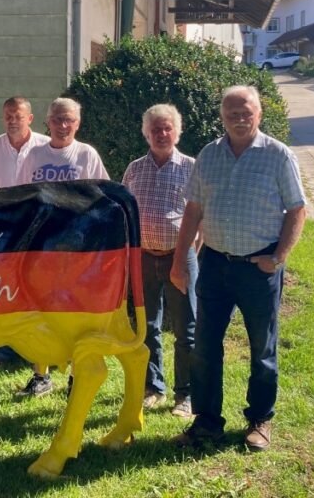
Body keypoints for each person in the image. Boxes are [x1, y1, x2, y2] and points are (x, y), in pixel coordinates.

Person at [170, 85, 306, 452]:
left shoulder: (278, 156)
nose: (239, 118)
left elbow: (297, 210)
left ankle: (260, 420)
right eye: (232, 113)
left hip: (258, 268)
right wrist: (181, 260)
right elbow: (193, 211)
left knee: (262, 348)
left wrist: (277, 258)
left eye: (246, 112)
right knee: (204, 347)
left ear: (259, 114)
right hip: (213, 264)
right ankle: (207, 422)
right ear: (222, 117)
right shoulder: (208, 156)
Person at [14, 97, 109, 397]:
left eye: (69, 119)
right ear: (47, 122)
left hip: (77, 251)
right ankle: (40, 376)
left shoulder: (86, 154)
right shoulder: (34, 155)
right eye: (57, 119)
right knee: (40, 313)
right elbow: (22, 197)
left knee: (76, 314)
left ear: (78, 123)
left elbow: (102, 198)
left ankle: (75, 376)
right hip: (42, 249)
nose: (63, 125)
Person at [122, 104, 198, 419]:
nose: (161, 134)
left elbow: (200, 218)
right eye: (155, 129)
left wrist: (187, 254)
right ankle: (153, 388)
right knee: (146, 326)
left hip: (179, 258)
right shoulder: (134, 169)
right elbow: (124, 214)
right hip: (142, 260)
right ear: (146, 133)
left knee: (187, 328)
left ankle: (187, 395)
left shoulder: (192, 167)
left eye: (167, 128)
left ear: (177, 132)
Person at [0, 96, 50, 365]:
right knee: (2, 289)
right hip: (1, 230)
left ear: (30, 118)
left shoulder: (44, 147)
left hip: (36, 228)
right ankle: (5, 347)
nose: (13, 120)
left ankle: (37, 347)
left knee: (36, 286)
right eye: (8, 116)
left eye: (18, 116)